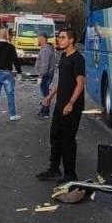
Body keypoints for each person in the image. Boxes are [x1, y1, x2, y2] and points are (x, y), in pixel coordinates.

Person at [36, 28, 85, 182]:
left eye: (63, 38)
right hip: (60, 105)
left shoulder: (78, 59)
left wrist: (71, 103)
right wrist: (50, 95)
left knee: (67, 140)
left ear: (71, 40)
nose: (60, 40)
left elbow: (80, 84)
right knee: (55, 136)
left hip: (71, 107)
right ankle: (54, 168)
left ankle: (70, 174)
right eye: (59, 38)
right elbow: (62, 81)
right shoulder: (63, 56)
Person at [35, 32, 56, 118]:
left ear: (42, 39)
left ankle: (46, 112)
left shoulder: (45, 50)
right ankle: (43, 110)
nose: (37, 40)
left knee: (46, 94)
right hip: (46, 75)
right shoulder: (47, 49)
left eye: (38, 38)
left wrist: (40, 76)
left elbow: (45, 64)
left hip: (45, 75)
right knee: (45, 93)